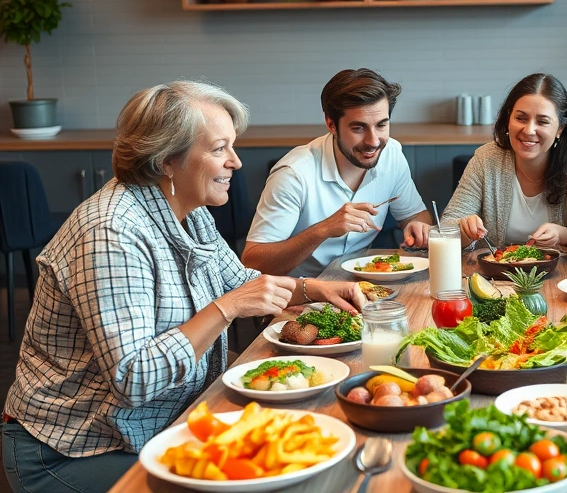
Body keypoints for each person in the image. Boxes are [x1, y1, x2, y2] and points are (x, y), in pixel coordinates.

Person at [1, 81, 365, 493]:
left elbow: (242, 283)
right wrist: (226, 308)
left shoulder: (188, 212)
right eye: (219, 148)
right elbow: (133, 378)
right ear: (166, 161)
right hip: (75, 450)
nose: (236, 162)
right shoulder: (111, 232)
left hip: (164, 424)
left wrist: (313, 289)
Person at [242, 68, 433, 277]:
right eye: (358, 128)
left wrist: (417, 227)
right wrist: (323, 229)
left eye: (381, 125)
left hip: (361, 284)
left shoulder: (391, 154)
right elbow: (254, 264)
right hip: (298, 295)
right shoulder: (293, 174)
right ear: (331, 124)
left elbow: (415, 215)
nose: (373, 141)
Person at [441, 73, 567, 255]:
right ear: (509, 119)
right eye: (521, 118)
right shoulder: (486, 159)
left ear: (560, 129)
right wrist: (464, 230)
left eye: (542, 121)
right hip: (496, 278)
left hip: (565, 280)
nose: (529, 130)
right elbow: (445, 230)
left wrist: (566, 236)